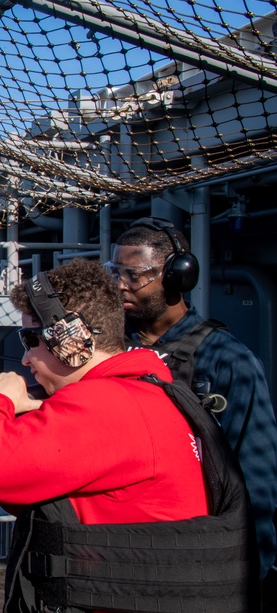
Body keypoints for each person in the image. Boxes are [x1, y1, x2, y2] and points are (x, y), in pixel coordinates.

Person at [0, 258, 256, 611]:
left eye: (31, 340)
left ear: (70, 339)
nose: (25, 359)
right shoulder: (146, 393)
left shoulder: (108, 405)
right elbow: (53, 495)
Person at [109, 217, 277, 596]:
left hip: (193, 556)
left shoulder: (228, 360)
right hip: (121, 552)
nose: (120, 284)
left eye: (134, 275)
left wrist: (252, 573)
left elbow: (257, 476)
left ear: (176, 277)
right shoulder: (108, 348)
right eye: (115, 271)